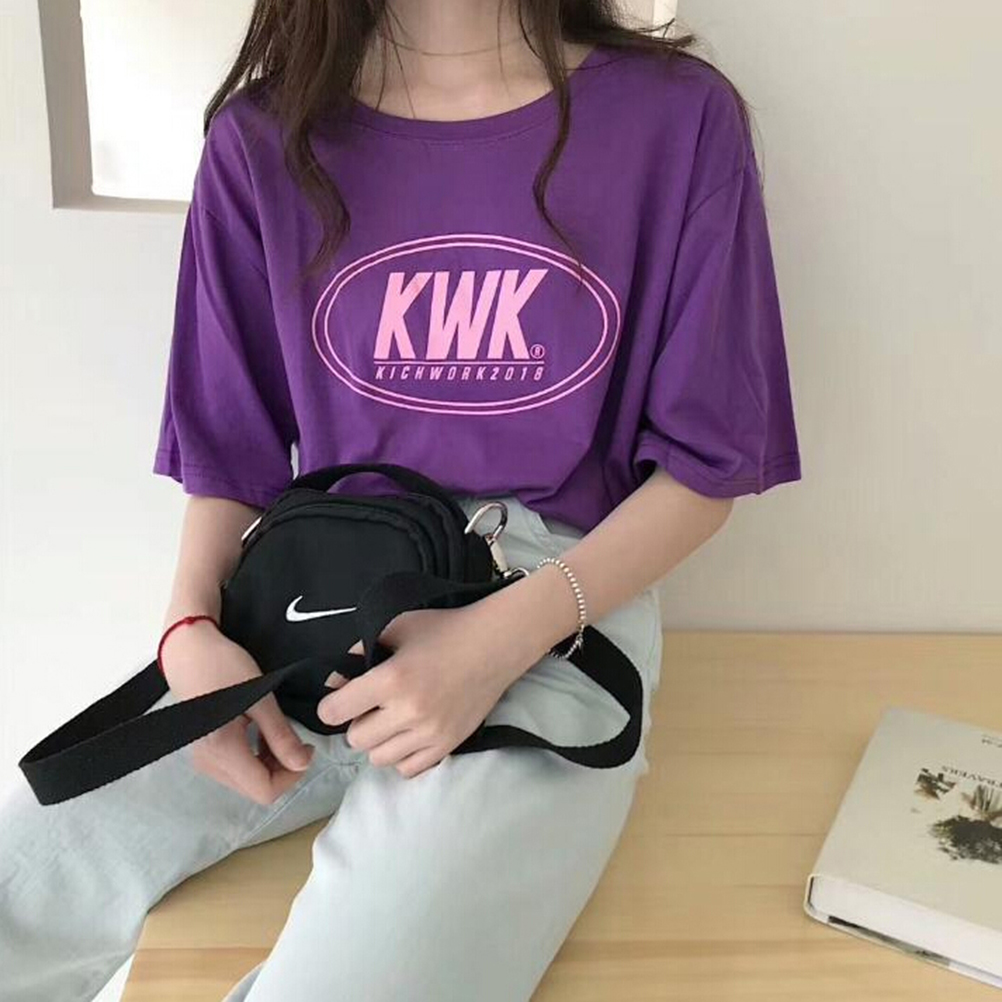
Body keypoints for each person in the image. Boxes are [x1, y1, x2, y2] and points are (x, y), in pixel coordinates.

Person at [0, 2, 802, 1000]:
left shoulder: (676, 119)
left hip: (552, 607)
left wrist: (495, 642)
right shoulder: (263, 139)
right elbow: (232, 457)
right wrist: (190, 632)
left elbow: (706, 469)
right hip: (308, 594)